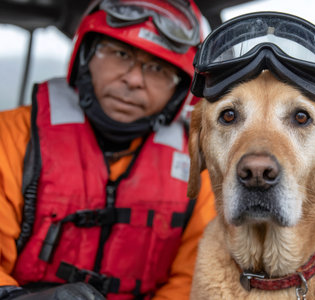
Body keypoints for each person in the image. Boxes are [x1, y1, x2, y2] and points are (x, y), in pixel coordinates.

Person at [0, 0, 216, 299]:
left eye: (156, 68)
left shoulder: (199, 170)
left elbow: (193, 279)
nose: (133, 80)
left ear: (180, 88)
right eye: (120, 54)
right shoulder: (11, 137)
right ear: (86, 55)